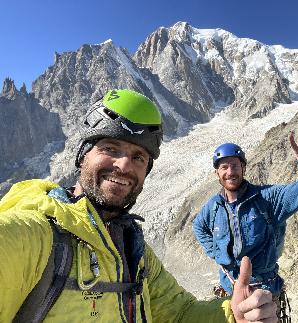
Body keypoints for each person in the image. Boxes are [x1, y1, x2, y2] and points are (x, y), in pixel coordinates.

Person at [0, 89, 277, 323]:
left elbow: (180, 314)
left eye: (138, 157)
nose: (123, 165)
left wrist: (233, 313)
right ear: (83, 154)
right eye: (110, 148)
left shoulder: (134, 252)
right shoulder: (33, 235)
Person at [192, 132, 298, 321]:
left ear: (244, 168)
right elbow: (198, 226)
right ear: (217, 173)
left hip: (264, 297)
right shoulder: (213, 206)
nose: (230, 171)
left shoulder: (268, 199)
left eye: (235, 165)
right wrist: (216, 253)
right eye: (224, 167)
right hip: (229, 291)